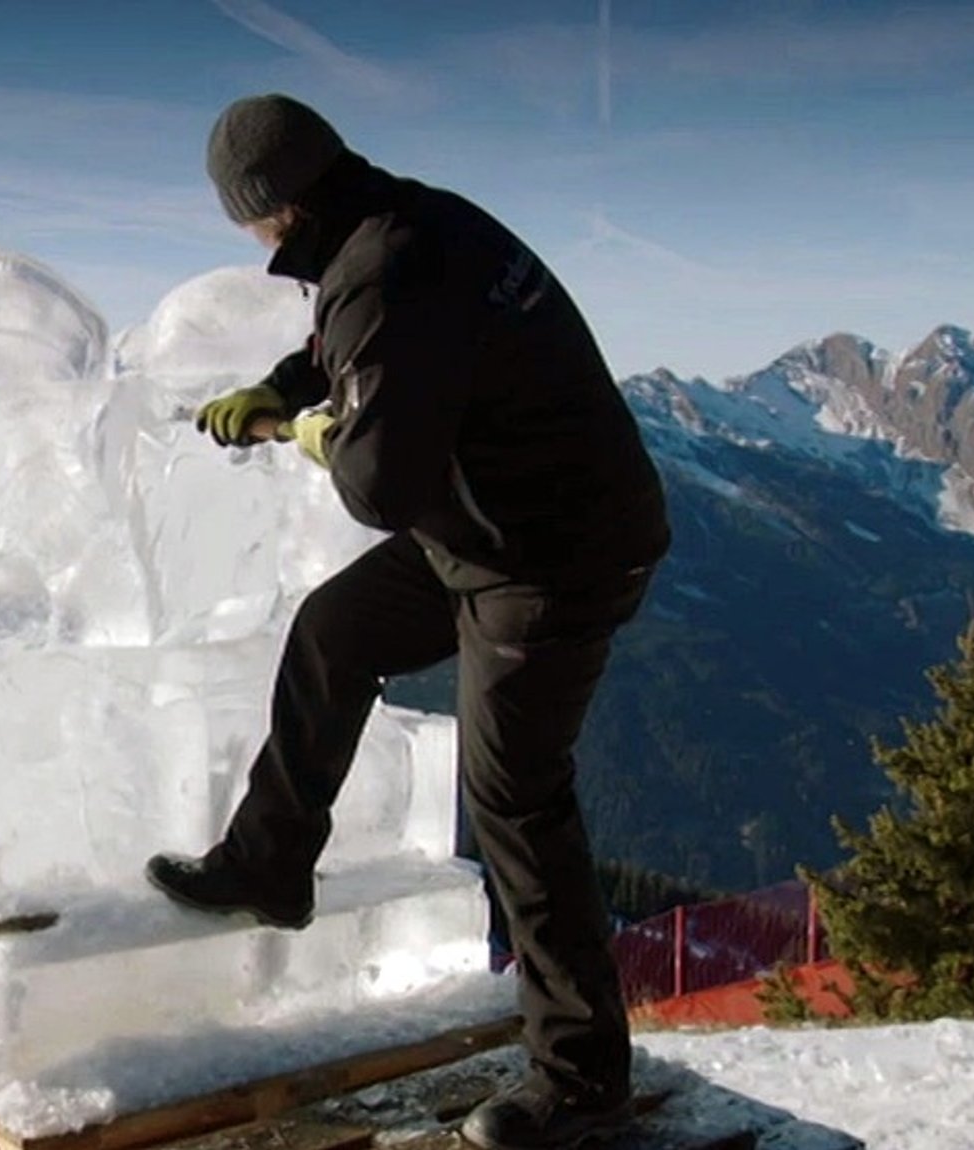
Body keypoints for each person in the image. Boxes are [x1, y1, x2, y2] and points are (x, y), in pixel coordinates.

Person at [143, 93, 671, 1150]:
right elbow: (373, 349)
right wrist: (281, 382)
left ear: (270, 211)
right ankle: (268, 861)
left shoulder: (381, 262)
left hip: (551, 556)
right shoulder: (403, 223)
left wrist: (300, 431)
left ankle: (581, 1081)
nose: (245, 238)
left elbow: (377, 487)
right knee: (336, 630)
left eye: (242, 220)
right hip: (488, 529)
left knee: (514, 796)